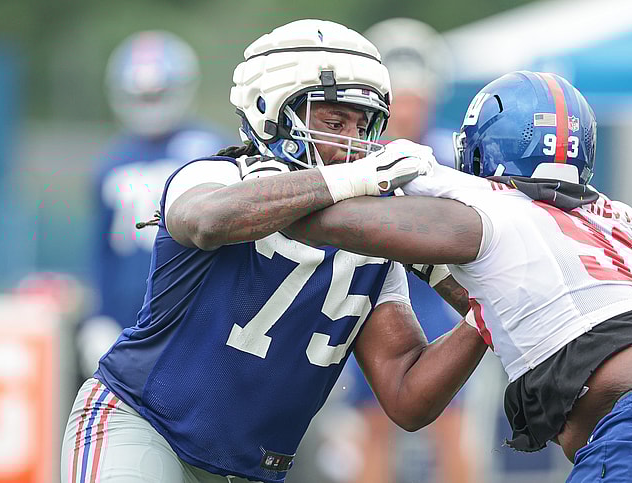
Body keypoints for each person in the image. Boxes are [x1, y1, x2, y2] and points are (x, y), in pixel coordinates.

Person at [286, 70, 632, 482]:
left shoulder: (486, 209)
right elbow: (416, 397)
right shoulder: (610, 219)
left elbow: (314, 217)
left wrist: (272, 181)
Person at [60, 19, 487, 483]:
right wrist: (357, 181)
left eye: (363, 125)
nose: (354, 143)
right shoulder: (218, 176)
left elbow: (407, 395)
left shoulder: (370, 245)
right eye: (334, 120)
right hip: (143, 426)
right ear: (272, 110)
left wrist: (483, 315)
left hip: (248, 470)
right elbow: (205, 221)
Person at [337, 17, 479, 483]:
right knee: (374, 420)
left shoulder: (443, 154)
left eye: (415, 98)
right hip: (374, 290)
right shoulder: (358, 156)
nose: (407, 110)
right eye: (400, 100)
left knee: (451, 421)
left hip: (436, 293)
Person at [77, 30, 227, 377]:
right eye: (141, 95)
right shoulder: (112, 161)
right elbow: (102, 250)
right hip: (129, 312)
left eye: (158, 94)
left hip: (196, 309)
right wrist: (97, 315)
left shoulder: (212, 148)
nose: (150, 104)